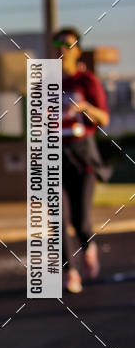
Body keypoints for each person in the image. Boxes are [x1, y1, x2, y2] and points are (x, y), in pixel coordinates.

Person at [54, 27, 110, 294]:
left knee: (81, 221)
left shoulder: (87, 81)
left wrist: (86, 107)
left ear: (76, 49)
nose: (61, 48)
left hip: (83, 156)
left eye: (67, 43)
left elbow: (105, 118)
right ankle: (69, 272)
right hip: (55, 155)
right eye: (57, 43)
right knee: (59, 218)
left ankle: (89, 248)